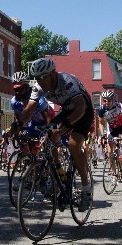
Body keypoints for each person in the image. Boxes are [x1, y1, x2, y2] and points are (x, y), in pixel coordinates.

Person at [14, 57, 94, 212]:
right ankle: (60, 175)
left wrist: (66, 126)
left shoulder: (67, 82)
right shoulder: (38, 87)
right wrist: (17, 124)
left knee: (73, 144)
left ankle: (86, 189)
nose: (41, 82)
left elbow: (80, 108)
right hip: (66, 110)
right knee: (48, 137)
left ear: (53, 74)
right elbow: (29, 109)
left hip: (83, 110)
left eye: (43, 77)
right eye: (37, 78)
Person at [9, 71, 54, 154]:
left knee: (50, 145)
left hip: (48, 119)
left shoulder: (36, 97)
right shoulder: (14, 101)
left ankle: (57, 164)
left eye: (21, 89)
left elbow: (47, 118)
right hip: (35, 122)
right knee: (28, 144)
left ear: (27, 87)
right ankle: (32, 162)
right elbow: (20, 121)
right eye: (16, 89)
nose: (18, 92)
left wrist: (48, 133)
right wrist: (13, 132)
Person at [97, 90, 122, 173]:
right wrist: (103, 134)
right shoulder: (101, 109)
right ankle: (113, 172)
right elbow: (101, 123)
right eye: (104, 100)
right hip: (112, 129)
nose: (107, 102)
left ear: (112, 99)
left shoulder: (119, 105)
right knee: (110, 152)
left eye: (109, 100)